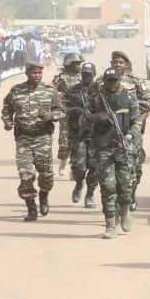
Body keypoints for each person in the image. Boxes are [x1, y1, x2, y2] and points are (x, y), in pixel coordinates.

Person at [1, 61, 64, 222]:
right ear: (27, 73)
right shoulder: (16, 91)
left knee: (46, 175)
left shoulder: (50, 91)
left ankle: (44, 195)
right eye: (34, 73)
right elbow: (7, 108)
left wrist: (52, 116)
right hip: (24, 139)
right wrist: (7, 122)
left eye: (39, 73)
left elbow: (60, 110)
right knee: (26, 174)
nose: (37, 76)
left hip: (43, 138)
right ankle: (31, 207)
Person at [88, 68, 141, 239]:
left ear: (119, 80)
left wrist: (129, 136)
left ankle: (124, 210)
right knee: (108, 187)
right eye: (109, 81)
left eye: (115, 80)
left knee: (125, 186)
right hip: (103, 147)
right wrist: (97, 118)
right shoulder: (96, 98)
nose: (112, 84)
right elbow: (83, 119)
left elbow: (137, 122)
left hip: (124, 146)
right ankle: (110, 224)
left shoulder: (129, 97)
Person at [105, 51, 150, 209]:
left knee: (134, 166)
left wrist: (131, 109)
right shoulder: (102, 81)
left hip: (132, 131)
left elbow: (149, 102)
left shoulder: (135, 82)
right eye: (115, 62)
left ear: (126, 64)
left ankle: (131, 194)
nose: (117, 65)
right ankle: (114, 202)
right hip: (108, 133)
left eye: (120, 62)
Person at [63, 62, 99, 208]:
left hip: (97, 135)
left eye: (89, 74)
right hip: (79, 134)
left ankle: (90, 194)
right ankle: (79, 184)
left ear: (94, 75)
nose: (86, 77)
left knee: (95, 168)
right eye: (84, 74)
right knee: (78, 167)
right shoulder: (73, 91)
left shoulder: (101, 91)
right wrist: (76, 110)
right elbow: (63, 108)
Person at [51, 53, 83, 176]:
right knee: (64, 142)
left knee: (78, 142)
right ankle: (63, 161)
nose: (78, 66)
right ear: (69, 64)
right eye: (76, 64)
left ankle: (74, 168)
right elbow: (52, 90)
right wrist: (58, 97)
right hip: (65, 112)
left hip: (79, 112)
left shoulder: (82, 76)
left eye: (79, 64)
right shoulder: (61, 77)